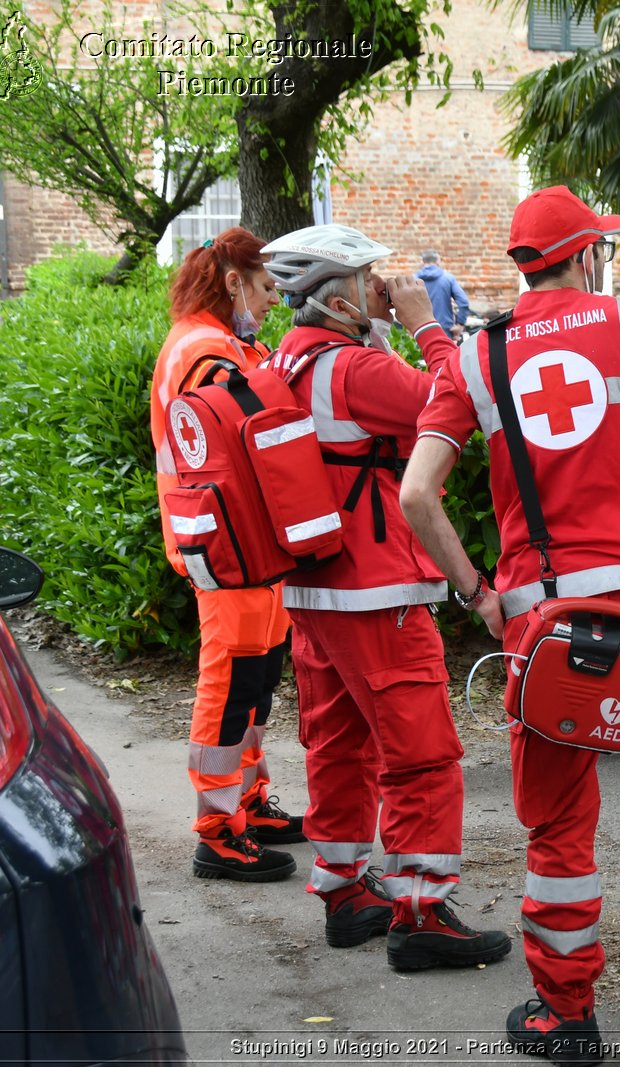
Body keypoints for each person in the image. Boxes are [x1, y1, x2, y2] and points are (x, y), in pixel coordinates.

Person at [399, 184, 620, 1064]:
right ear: (588, 254)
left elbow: (417, 495)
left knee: (558, 820)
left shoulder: (476, 359)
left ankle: (567, 1015)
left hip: (538, 615)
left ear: (526, 266)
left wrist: (480, 594)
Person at [260, 224, 511, 970]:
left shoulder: (287, 360)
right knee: (421, 755)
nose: (384, 286)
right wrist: (426, 324)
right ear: (337, 301)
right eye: (370, 278)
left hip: (312, 591)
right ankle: (422, 910)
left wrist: (388, 327)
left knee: (339, 746)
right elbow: (458, 396)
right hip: (379, 592)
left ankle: (346, 892)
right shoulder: (354, 370)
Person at [150, 227, 304, 884]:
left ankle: (245, 803)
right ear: (234, 280)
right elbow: (245, 428)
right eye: (267, 286)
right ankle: (217, 832)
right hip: (226, 541)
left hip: (247, 542)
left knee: (258, 678)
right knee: (233, 682)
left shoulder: (220, 344)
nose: (273, 300)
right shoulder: (204, 349)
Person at [417, 250, 472, 341]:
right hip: (443, 330)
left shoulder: (413, 280)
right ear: (438, 261)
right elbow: (463, 302)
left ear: (422, 261)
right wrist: (460, 324)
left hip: (419, 330)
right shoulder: (448, 278)